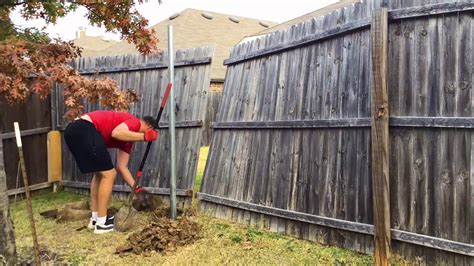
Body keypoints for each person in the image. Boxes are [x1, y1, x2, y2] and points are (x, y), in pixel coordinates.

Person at [64, 110, 158, 234]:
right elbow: (116, 133)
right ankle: (102, 224)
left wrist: (137, 189)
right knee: (109, 174)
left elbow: (122, 167)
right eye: (153, 132)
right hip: (83, 128)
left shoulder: (128, 141)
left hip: (75, 132)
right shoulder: (134, 122)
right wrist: (144, 137)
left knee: (100, 174)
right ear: (149, 126)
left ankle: (95, 219)